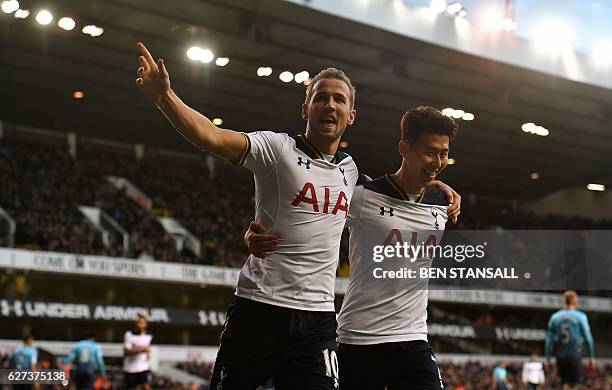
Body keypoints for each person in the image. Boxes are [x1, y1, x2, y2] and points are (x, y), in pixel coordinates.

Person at [136, 43, 459, 389]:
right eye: (321, 97)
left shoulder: (350, 174)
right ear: (306, 108)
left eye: (339, 99)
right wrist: (164, 97)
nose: (330, 104)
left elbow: (394, 196)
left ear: (351, 116)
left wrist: (434, 180)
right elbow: (210, 137)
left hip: (317, 321)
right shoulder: (276, 150)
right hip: (259, 309)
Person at [246, 106, 459, 389]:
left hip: (413, 339)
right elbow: (304, 220)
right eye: (430, 152)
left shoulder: (442, 202)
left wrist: (443, 186)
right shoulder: (360, 196)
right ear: (404, 148)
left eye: (444, 153)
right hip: (358, 339)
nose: (438, 161)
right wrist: (251, 235)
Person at [545, 290, 595, 390]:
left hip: (560, 355)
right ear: (575, 302)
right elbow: (588, 338)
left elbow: (549, 340)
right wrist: (591, 357)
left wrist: (548, 359)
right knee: (572, 385)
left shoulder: (555, 317)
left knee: (565, 383)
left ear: (565, 301)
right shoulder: (581, 316)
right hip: (574, 354)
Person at [123, 314, 153, 389]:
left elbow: (148, 349)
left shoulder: (149, 336)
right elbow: (127, 351)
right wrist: (141, 350)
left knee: (146, 386)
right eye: (137, 322)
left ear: (145, 324)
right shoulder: (129, 334)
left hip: (143, 367)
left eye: (140, 322)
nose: (138, 324)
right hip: (130, 368)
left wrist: (148, 354)